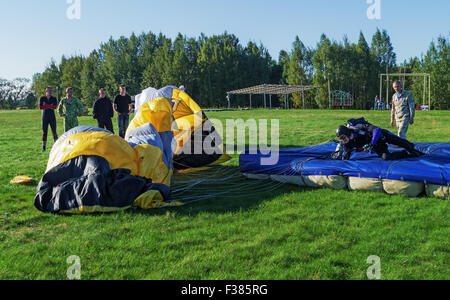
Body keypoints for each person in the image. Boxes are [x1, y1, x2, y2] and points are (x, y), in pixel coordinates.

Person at [333, 119, 423, 161]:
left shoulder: (359, 128)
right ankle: (405, 153)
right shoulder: (347, 144)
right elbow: (345, 157)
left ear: (348, 133)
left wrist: (371, 143)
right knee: (386, 157)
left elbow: (377, 130)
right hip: (377, 144)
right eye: (341, 139)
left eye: (343, 137)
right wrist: (341, 157)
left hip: (380, 136)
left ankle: (411, 148)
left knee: (407, 145)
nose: (343, 140)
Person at [38, 87, 58, 152]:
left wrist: (46, 105)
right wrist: (50, 106)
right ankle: (44, 148)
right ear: (46, 91)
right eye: (49, 91)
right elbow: (40, 107)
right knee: (44, 132)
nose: (50, 92)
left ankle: (56, 147)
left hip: (52, 116)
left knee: (54, 131)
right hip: (44, 116)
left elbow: (55, 107)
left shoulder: (54, 98)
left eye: (51, 91)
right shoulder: (42, 98)